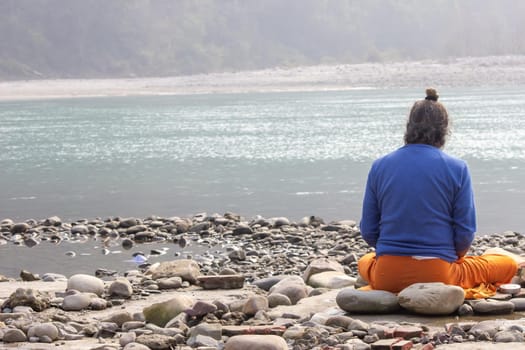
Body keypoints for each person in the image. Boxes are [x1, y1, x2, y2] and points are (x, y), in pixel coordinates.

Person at [358, 88, 518, 296]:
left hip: (387, 277)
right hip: (439, 275)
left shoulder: (379, 166)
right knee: (506, 263)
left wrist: (392, 253)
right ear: (444, 130)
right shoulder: (457, 167)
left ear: (408, 127)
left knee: (365, 261)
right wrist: (455, 257)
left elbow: (369, 230)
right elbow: (464, 233)